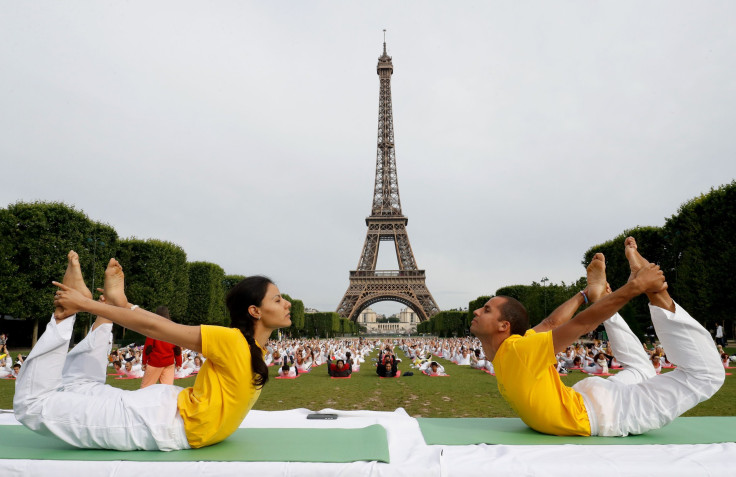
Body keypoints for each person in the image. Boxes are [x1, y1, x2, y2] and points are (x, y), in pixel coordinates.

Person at [14, 251, 291, 451]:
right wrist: (95, 306)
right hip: (162, 421)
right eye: (278, 299)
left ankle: (101, 312)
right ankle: (66, 314)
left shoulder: (254, 347)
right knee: (32, 407)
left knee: (83, 386)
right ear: (255, 311)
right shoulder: (233, 341)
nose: (287, 303)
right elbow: (156, 327)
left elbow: (157, 324)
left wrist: (121, 304)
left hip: (167, 412)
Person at [470, 237, 724, 437]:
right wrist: (586, 294)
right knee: (648, 369)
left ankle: (656, 292)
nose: (476, 311)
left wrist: (634, 288)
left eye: (486, 309)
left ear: (504, 326)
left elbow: (580, 323)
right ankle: (607, 295)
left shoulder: (517, 351)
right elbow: (551, 322)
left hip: (599, 410)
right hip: (590, 401)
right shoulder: (513, 347)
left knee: (706, 375)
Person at [140, 306, 182, 388]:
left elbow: (148, 348)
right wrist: (179, 362)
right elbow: (177, 348)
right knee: (167, 389)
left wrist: (144, 362)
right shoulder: (173, 329)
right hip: (169, 363)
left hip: (155, 362)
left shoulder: (154, 329)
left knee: (145, 388)